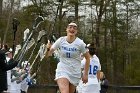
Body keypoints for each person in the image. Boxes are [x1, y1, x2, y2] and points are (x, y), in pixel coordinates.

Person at [45, 22, 90, 93]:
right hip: (62, 70)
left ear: (76, 31)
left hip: (75, 72)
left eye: (74, 28)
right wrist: (47, 49)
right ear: (66, 29)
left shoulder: (80, 43)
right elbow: (48, 54)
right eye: (70, 27)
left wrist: (85, 74)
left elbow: (88, 58)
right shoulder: (61, 40)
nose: (72, 29)